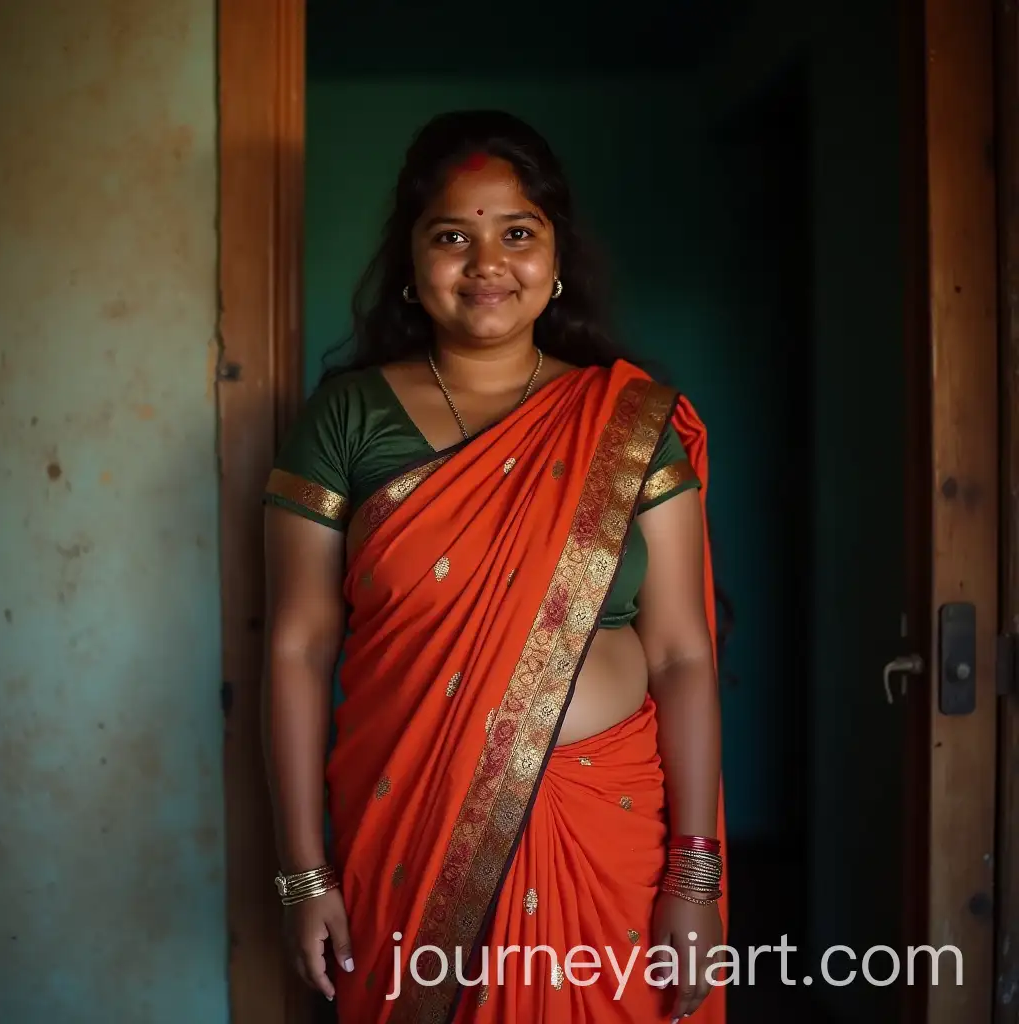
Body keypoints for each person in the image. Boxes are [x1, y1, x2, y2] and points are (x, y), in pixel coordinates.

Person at [261, 110, 728, 1024]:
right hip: (411, 833)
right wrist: (302, 874)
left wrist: (697, 872)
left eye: (518, 232)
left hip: (612, 838)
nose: (487, 263)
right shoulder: (346, 420)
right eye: (452, 236)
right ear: (410, 264)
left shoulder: (630, 424)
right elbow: (298, 647)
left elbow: (681, 653)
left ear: (557, 261)